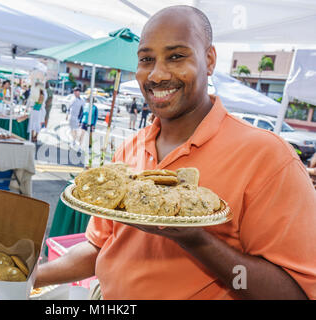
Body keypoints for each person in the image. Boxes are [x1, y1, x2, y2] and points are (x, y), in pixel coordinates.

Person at [29, 6, 316, 300]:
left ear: (209, 59)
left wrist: (197, 241)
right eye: (146, 60)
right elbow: (99, 247)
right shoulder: (131, 148)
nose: (156, 74)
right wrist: (25, 277)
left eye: (176, 56)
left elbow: (293, 295)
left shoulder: (267, 157)